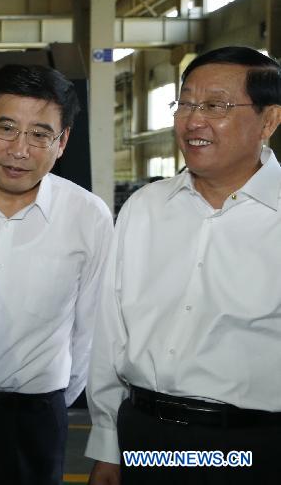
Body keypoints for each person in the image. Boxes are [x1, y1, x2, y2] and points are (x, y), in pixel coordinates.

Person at [86, 46, 281, 485]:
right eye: (186, 103)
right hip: (145, 438)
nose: (193, 120)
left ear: (268, 121)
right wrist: (108, 446)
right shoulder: (145, 208)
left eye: (216, 106)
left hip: (248, 449)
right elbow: (111, 333)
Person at [0, 64, 113, 485]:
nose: (19, 150)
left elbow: (92, 332)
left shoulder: (87, 216)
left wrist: (48, 400)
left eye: (39, 135)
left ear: (62, 141)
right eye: (7, 128)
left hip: (34, 423)